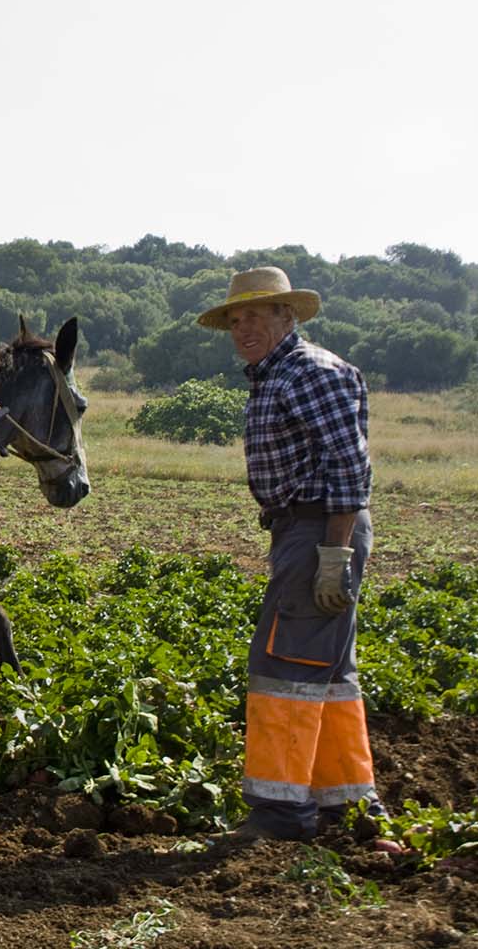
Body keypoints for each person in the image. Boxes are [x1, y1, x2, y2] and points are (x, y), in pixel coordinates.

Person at [197, 266, 387, 842]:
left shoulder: (307, 372)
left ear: (288, 316)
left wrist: (332, 554)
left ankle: (279, 817)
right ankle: (348, 810)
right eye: (235, 319)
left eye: (256, 315)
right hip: (303, 530)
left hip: (321, 529)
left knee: (283, 669)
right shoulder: (275, 376)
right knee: (327, 676)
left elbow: (350, 468)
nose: (243, 328)